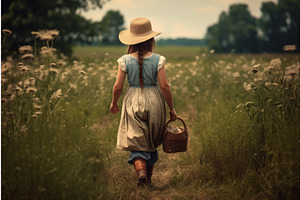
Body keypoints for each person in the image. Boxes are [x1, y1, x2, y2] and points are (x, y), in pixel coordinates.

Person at [110, 17, 177, 186]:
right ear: (151, 39)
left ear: (131, 40)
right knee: (151, 142)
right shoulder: (158, 59)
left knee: (138, 142)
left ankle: (141, 172)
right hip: (154, 100)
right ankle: (148, 179)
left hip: (133, 100)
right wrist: (172, 108)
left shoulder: (124, 60)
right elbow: (165, 86)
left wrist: (114, 102)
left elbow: (117, 86)